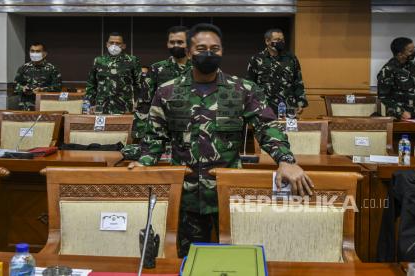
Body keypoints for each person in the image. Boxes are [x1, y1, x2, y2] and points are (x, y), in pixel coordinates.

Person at [129, 23, 313, 257]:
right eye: (201, 48)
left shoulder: (243, 89)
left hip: (228, 193)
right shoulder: (167, 91)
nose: (208, 53)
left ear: (221, 52)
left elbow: (267, 127)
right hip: (186, 197)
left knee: (233, 259)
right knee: (189, 261)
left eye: (214, 49)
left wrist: (285, 160)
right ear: (188, 52)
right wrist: (144, 162)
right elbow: (154, 136)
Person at [134, 26, 192, 139]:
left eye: (180, 42)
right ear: (167, 44)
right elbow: (145, 103)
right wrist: (140, 134)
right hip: (164, 130)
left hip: (193, 131)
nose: (176, 45)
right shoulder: (157, 68)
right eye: (172, 42)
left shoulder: (198, 68)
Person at [246, 28, 308, 116]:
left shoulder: (291, 58)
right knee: (266, 130)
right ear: (267, 41)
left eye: (282, 40)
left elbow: (298, 81)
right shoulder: (256, 59)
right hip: (265, 107)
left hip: (288, 106)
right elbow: (250, 84)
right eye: (277, 40)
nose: (281, 42)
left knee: (290, 129)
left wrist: (300, 102)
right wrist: (251, 105)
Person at [86, 32, 143, 114]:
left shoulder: (132, 60)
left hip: (125, 107)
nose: (114, 45)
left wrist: (138, 102)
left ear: (123, 46)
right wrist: (92, 103)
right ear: (107, 44)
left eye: (118, 43)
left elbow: (139, 84)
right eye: (111, 42)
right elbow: (91, 84)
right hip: (101, 107)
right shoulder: (98, 60)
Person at [377, 37, 415, 119]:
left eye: (414, 49)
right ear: (400, 54)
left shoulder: (412, 64)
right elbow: (383, 98)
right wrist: (400, 112)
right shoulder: (388, 70)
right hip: (400, 117)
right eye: (410, 51)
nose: (414, 53)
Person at [13, 42, 62, 110]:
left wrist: (42, 90)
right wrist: (22, 88)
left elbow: (58, 88)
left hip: (45, 105)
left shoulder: (52, 69)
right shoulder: (23, 68)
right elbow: (15, 86)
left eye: (38, 51)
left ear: (44, 54)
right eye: (32, 51)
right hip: (26, 106)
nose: (34, 53)